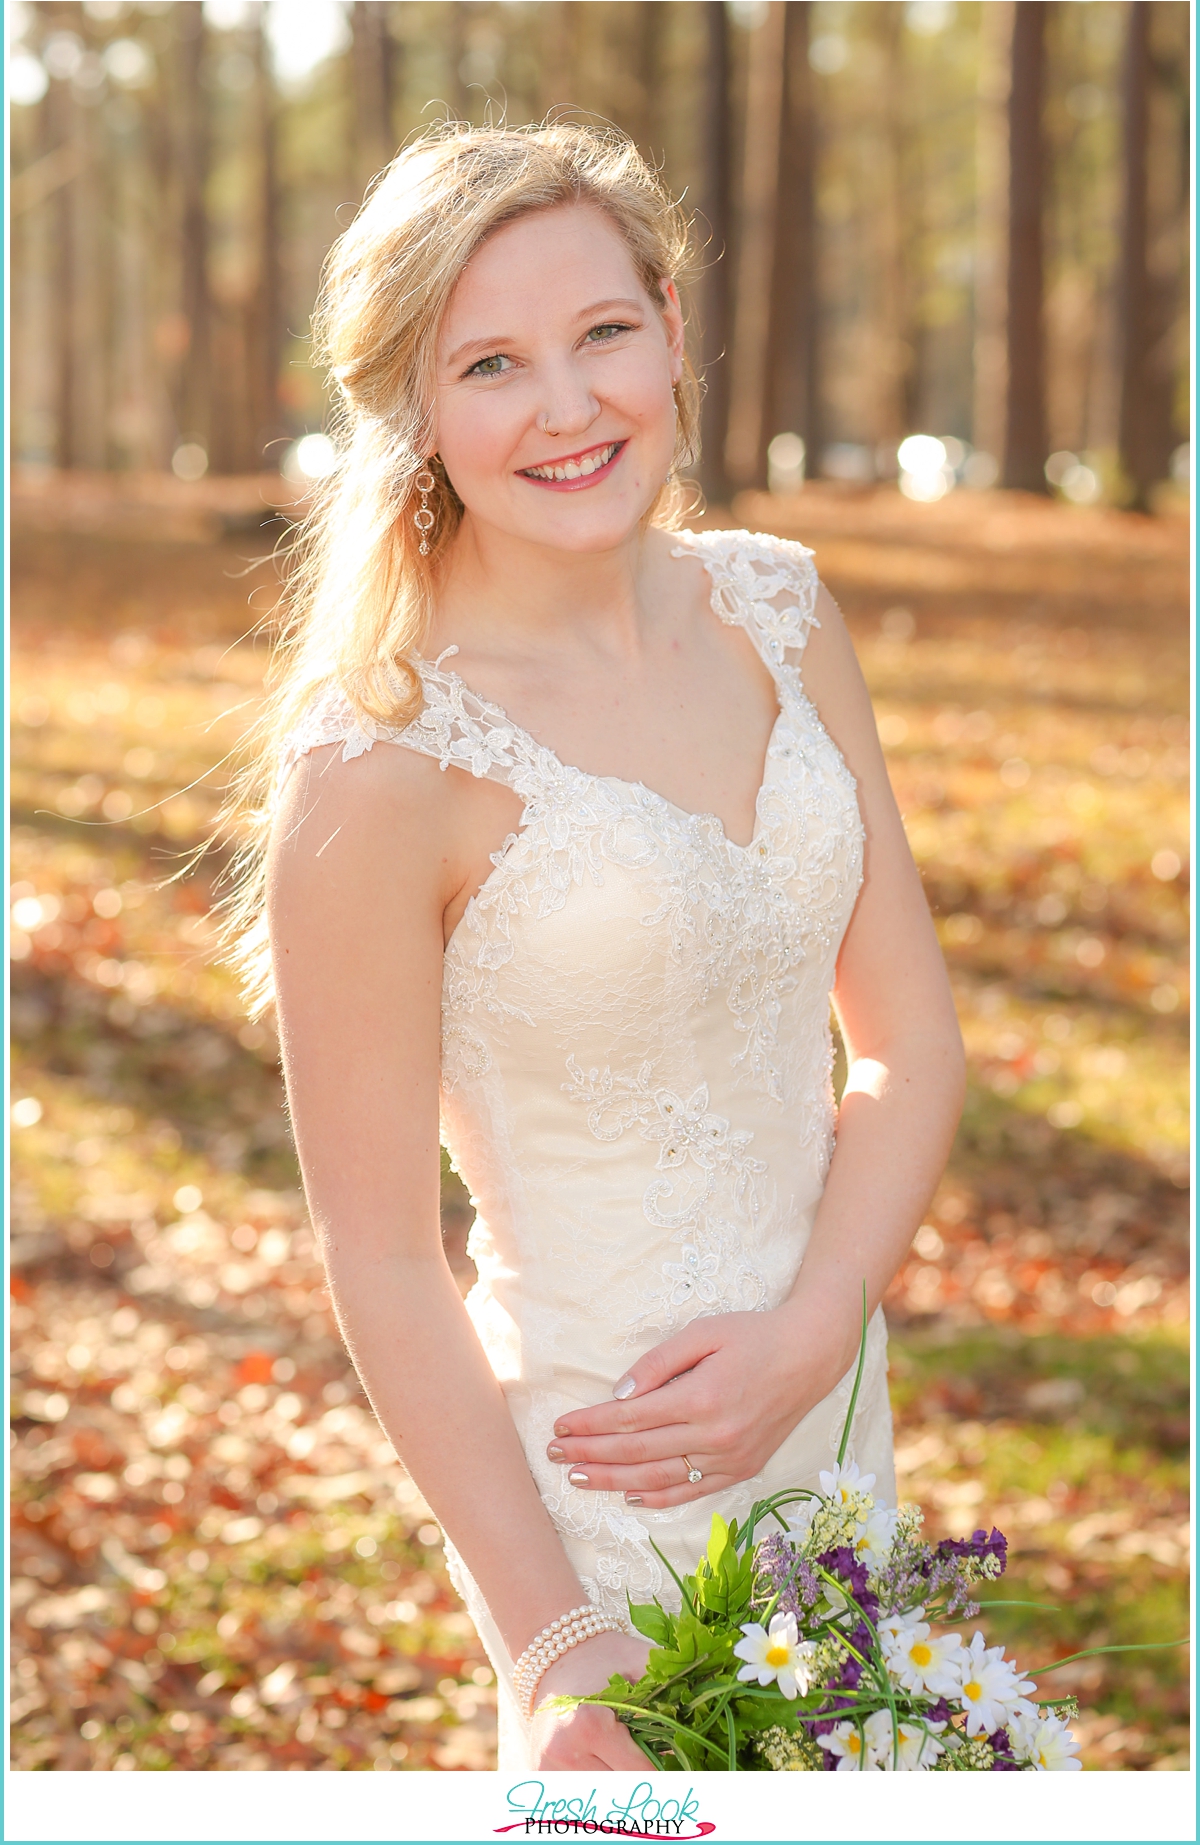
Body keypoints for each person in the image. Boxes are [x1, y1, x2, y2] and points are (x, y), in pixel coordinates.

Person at [226, 121, 965, 1771]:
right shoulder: (381, 763)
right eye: (491, 362)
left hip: (837, 1445)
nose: (568, 406)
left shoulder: (782, 611)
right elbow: (383, 1257)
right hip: (600, 1534)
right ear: (414, 412)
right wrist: (563, 1650)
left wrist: (820, 1321)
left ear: (674, 331)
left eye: (604, 334)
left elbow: (908, 1037)